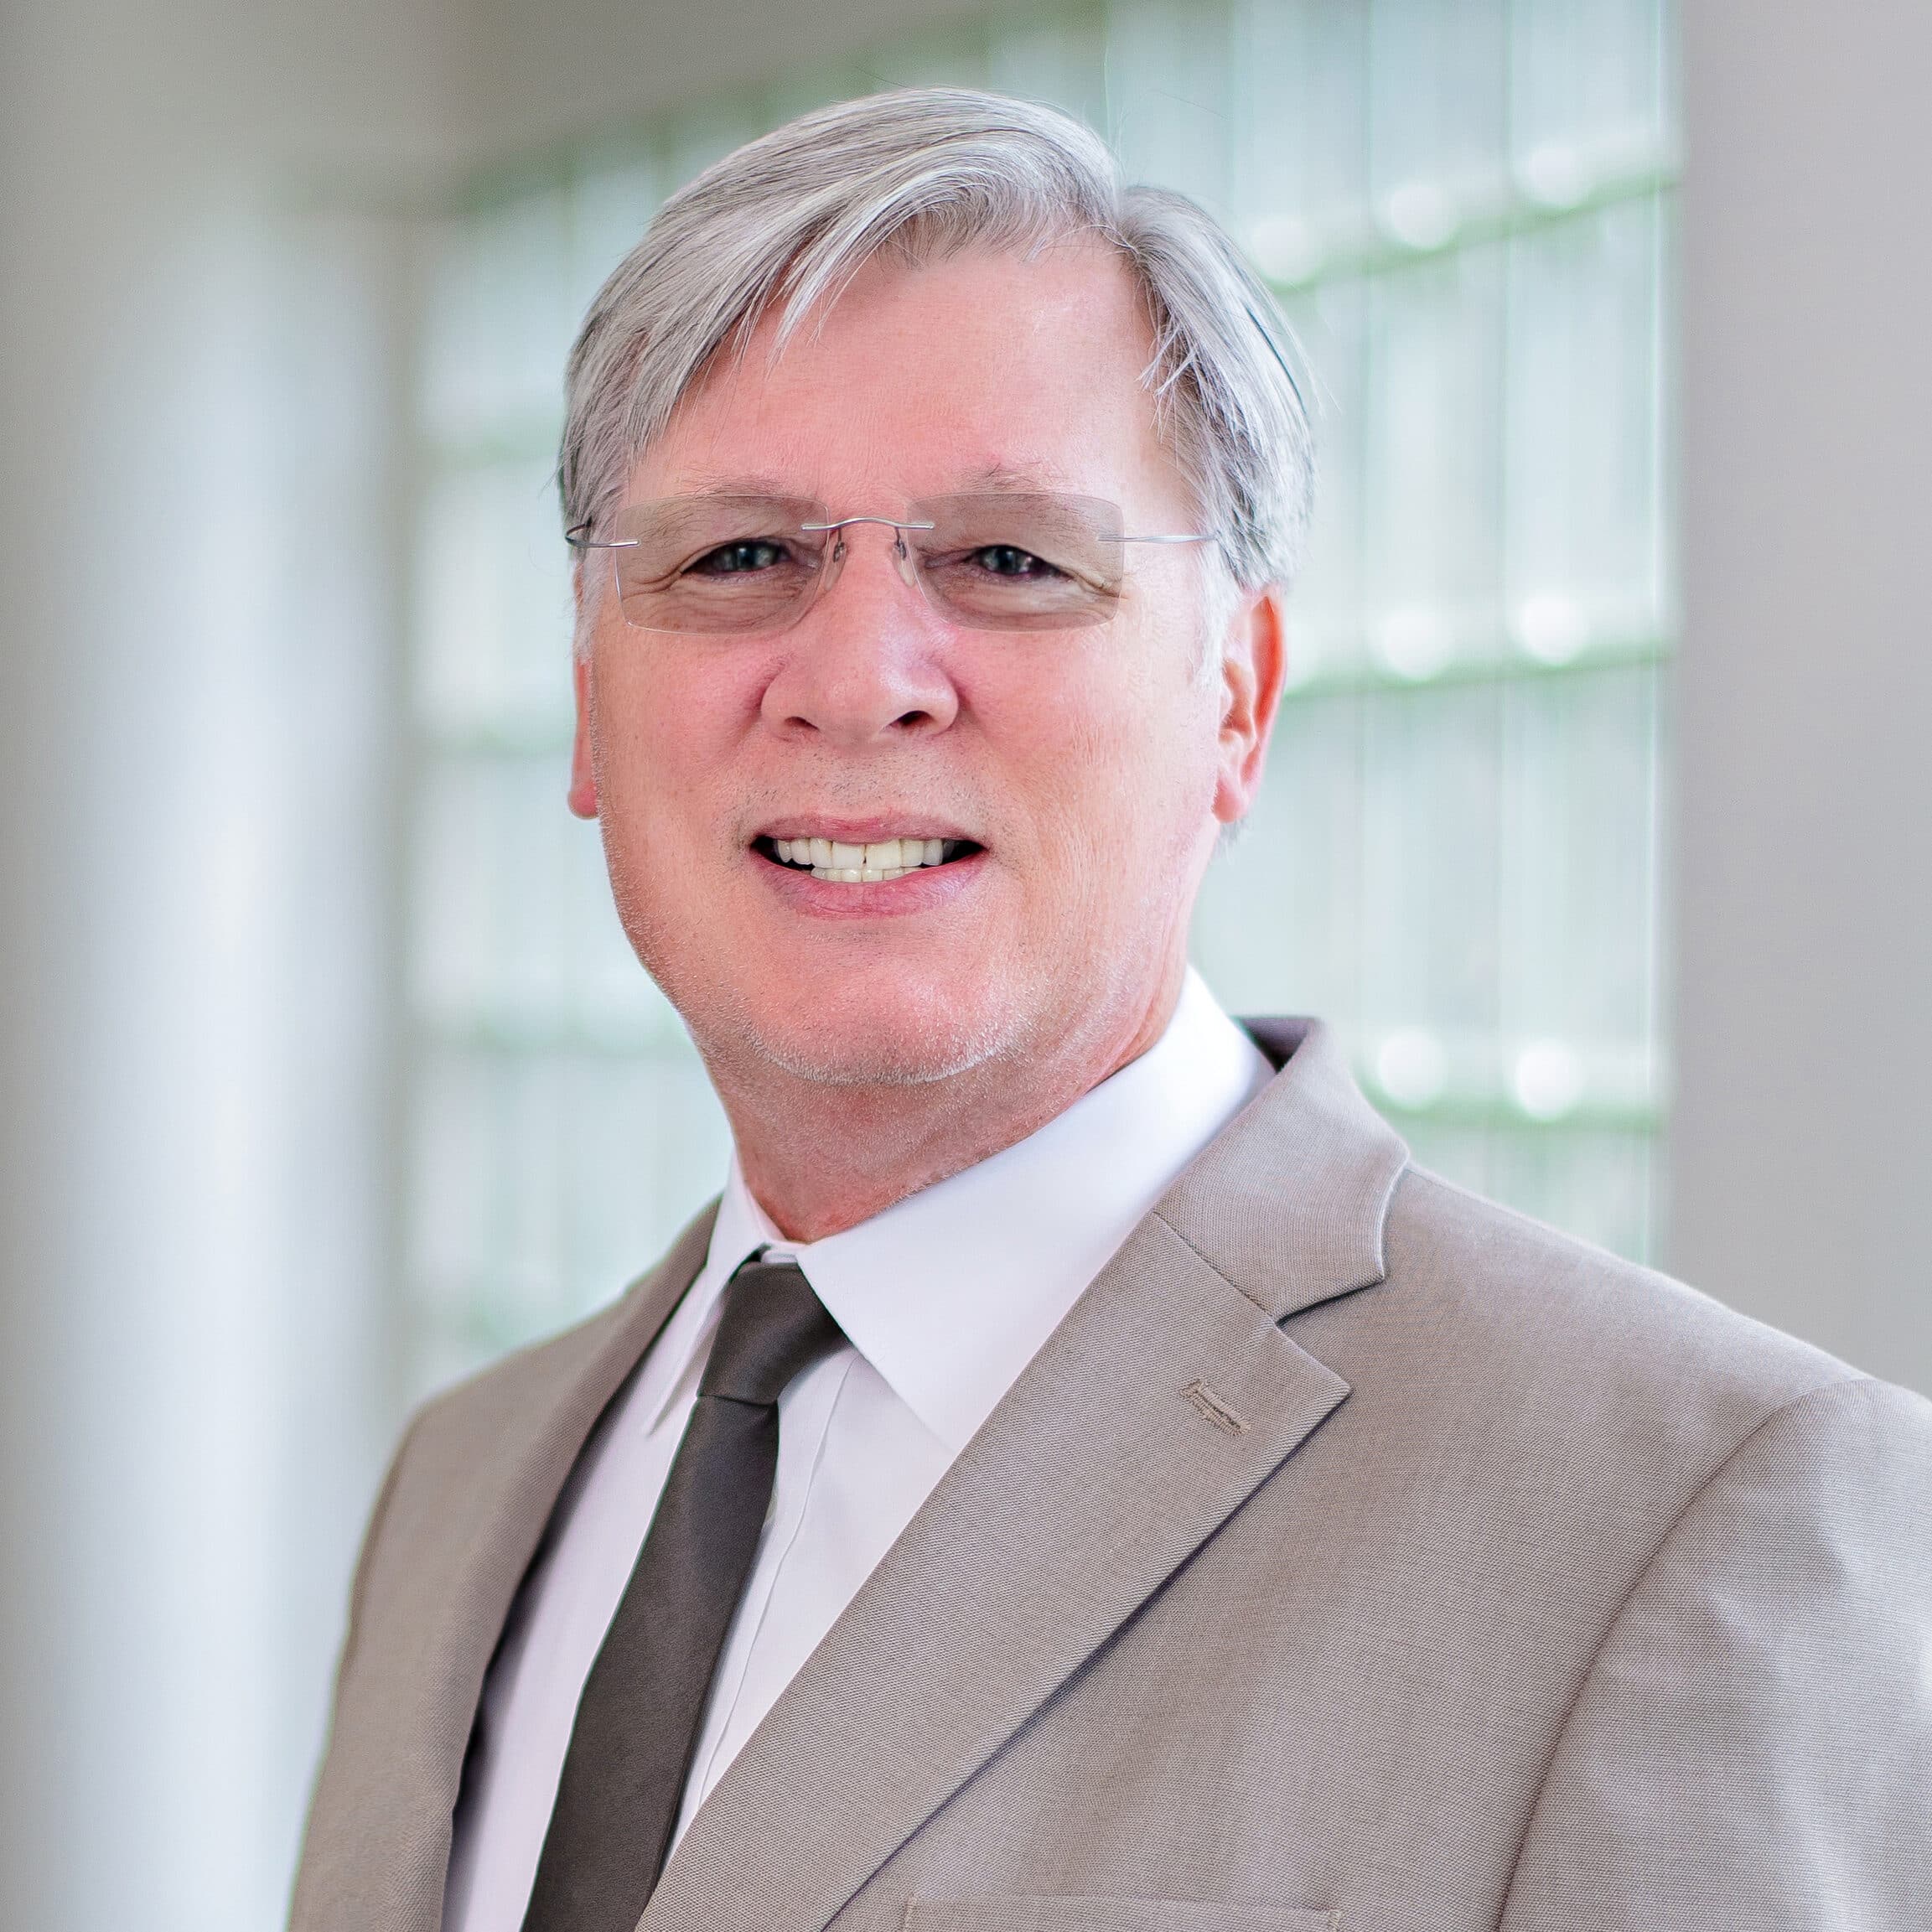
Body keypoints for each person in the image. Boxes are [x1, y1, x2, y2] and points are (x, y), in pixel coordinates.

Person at [290, 91, 1932, 1932]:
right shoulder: (464, 1481)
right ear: (593, 708)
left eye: (1009, 561)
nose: (856, 678)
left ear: (1235, 697)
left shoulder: (1694, 1520)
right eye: (736, 559)